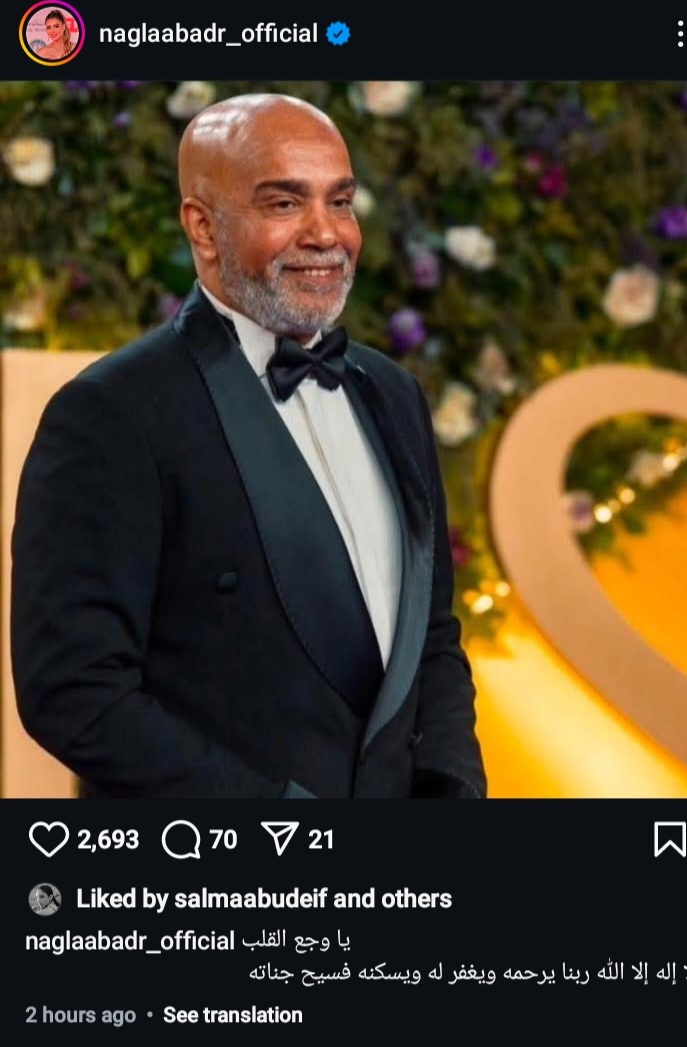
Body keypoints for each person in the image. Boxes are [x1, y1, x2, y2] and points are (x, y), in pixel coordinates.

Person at [11, 93, 487, 799]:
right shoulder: (112, 412)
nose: (326, 233)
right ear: (203, 227)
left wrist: (451, 790)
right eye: (284, 204)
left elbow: (434, 638)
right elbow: (75, 692)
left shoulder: (394, 393)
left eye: (340, 201)